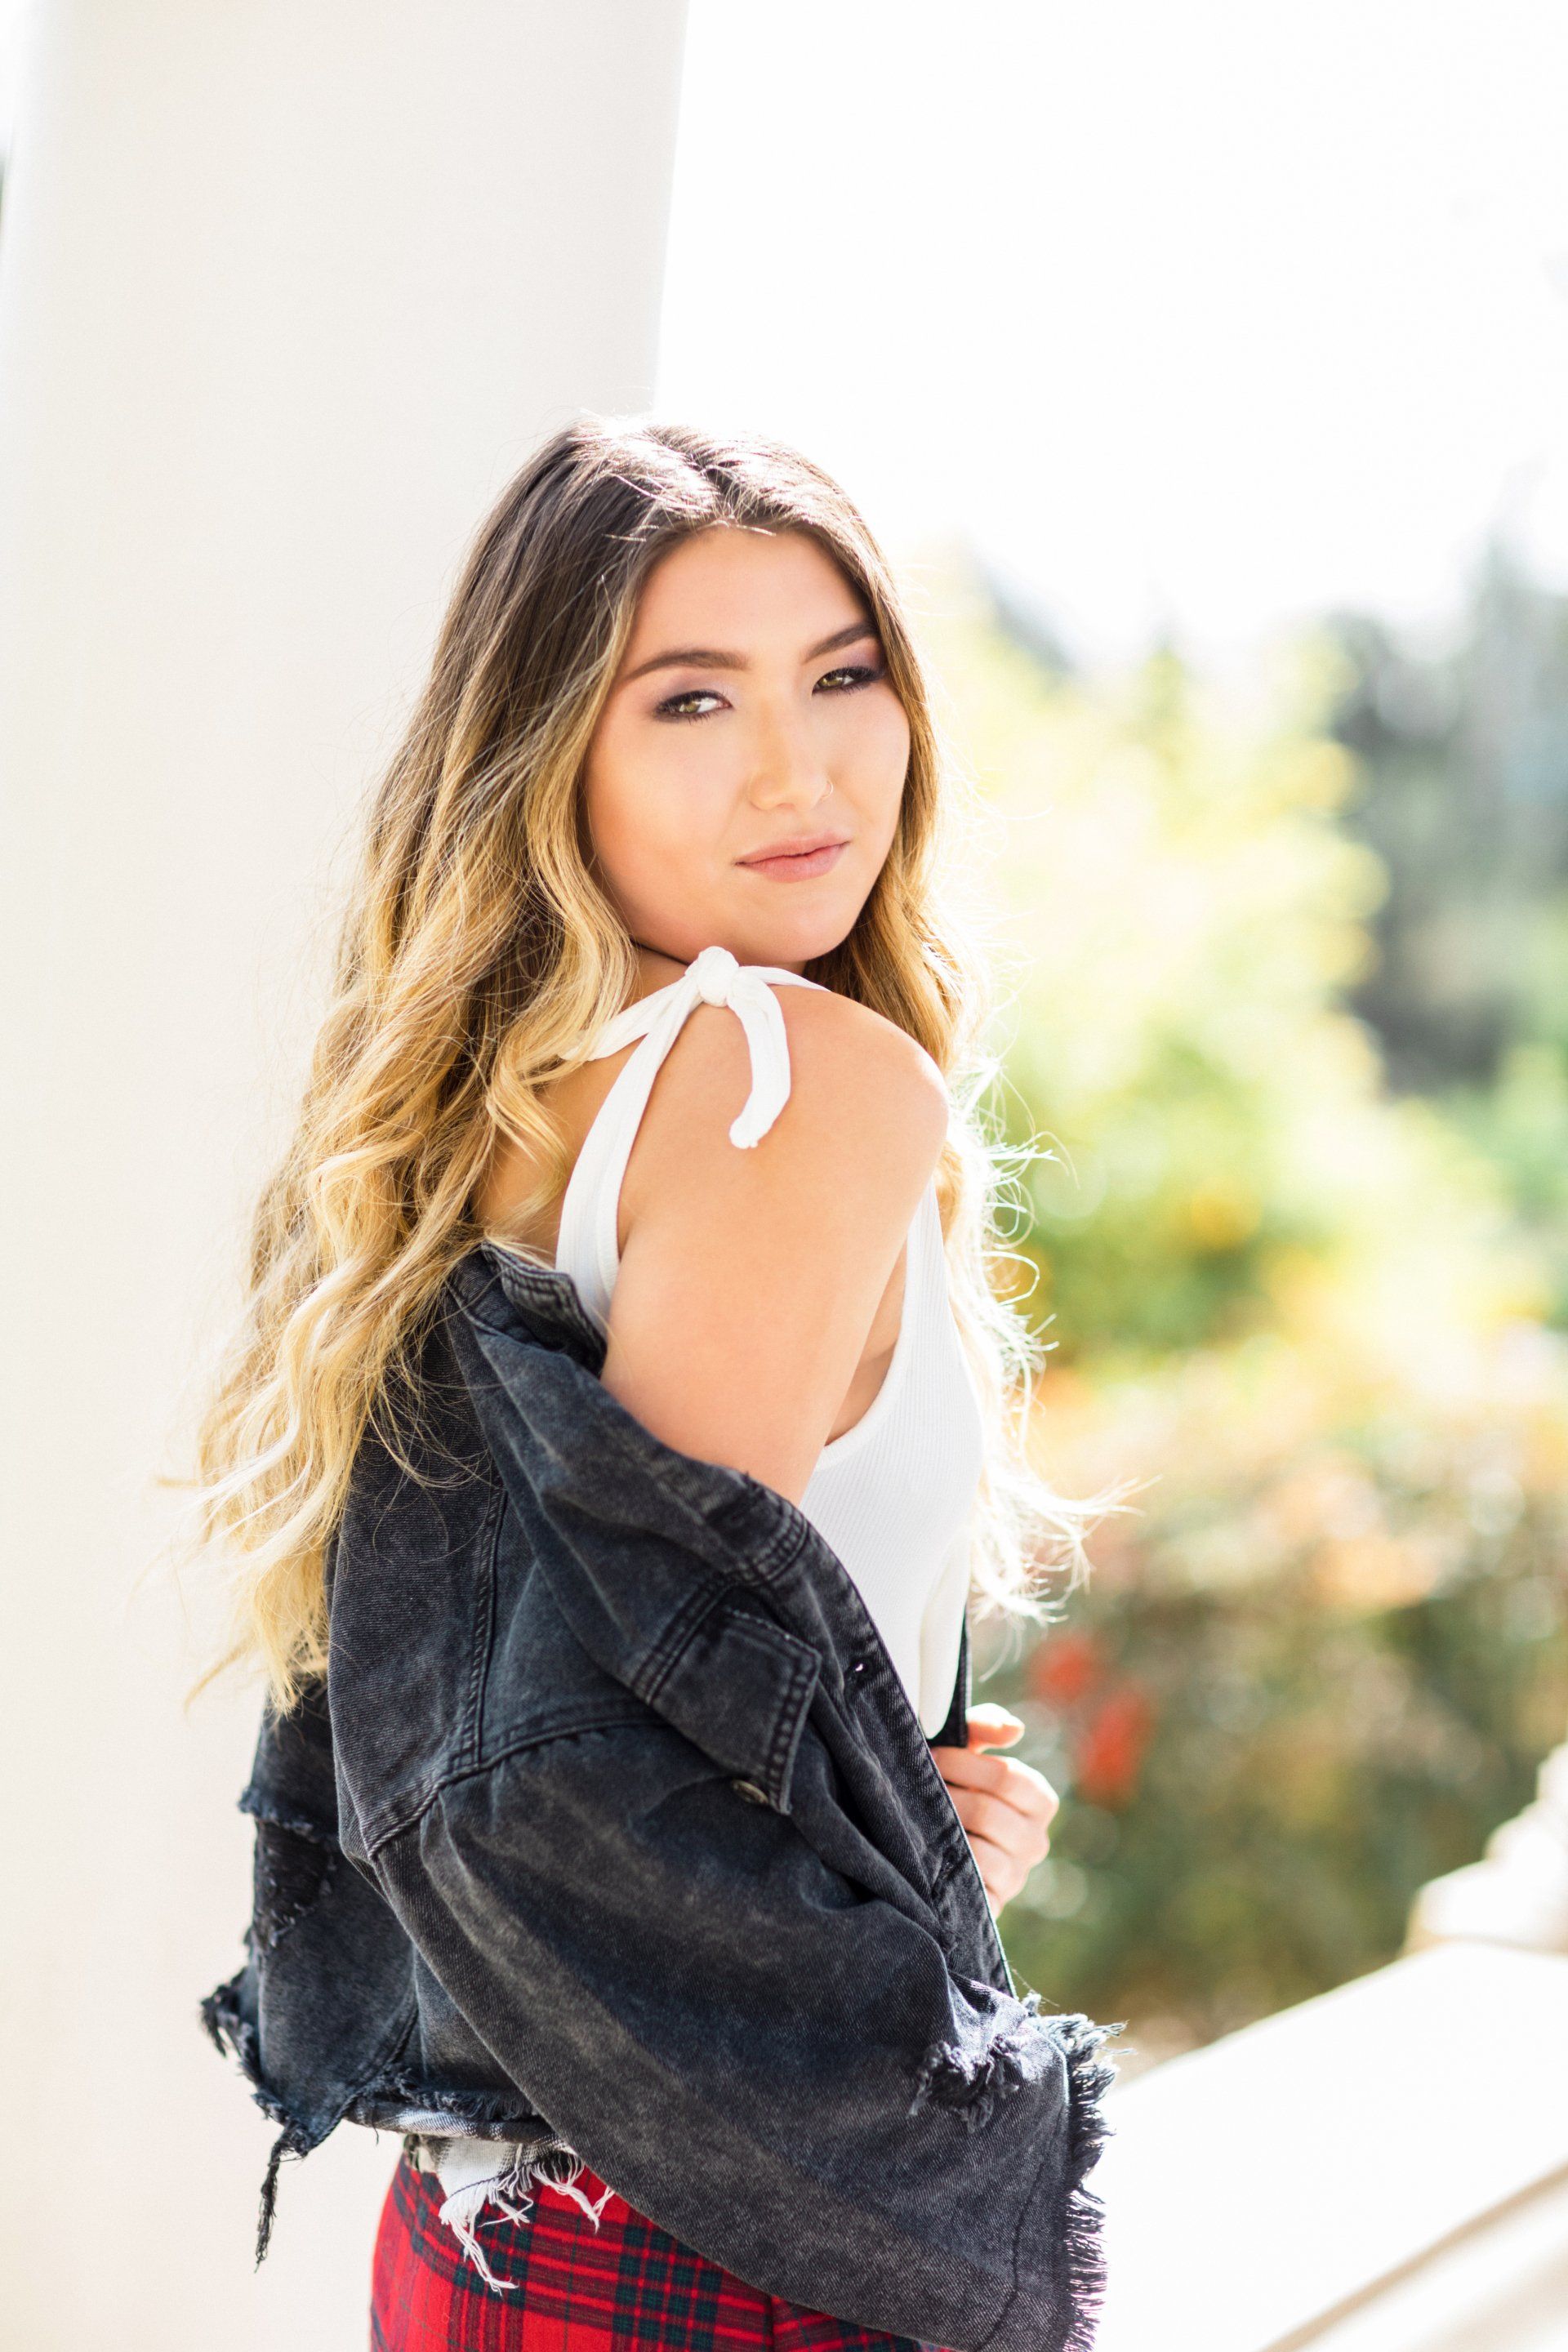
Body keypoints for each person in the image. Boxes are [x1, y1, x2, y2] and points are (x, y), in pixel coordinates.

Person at [184, 416, 1111, 2347]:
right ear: (551, 753)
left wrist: (897, 1824)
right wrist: (903, 1905)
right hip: (711, 2239)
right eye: (690, 700)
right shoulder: (791, 1080)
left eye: (844, 675)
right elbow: (619, 1779)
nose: (801, 768)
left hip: (487, 2231)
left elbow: (626, 1717)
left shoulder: (483, 1115)